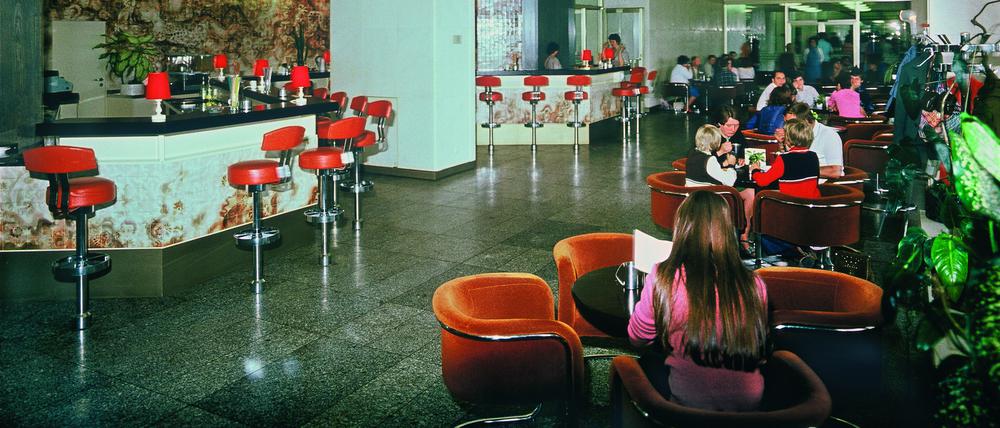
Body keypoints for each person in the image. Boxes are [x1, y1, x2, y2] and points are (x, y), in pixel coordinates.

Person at [628, 190, 769, 411]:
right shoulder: (754, 283)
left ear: (682, 226)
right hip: (749, 407)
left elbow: (637, 337)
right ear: (726, 228)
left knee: (643, 365)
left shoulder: (664, 276)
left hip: (688, 406)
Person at [751, 118, 820, 198]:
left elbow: (762, 181)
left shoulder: (784, 159)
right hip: (813, 205)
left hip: (791, 206)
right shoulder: (813, 156)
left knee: (761, 195)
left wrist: (755, 170)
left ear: (788, 138)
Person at [782, 103, 844, 179]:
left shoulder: (829, 135)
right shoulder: (794, 134)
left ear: (806, 121)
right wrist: (781, 143)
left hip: (825, 186)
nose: (788, 127)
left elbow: (835, 172)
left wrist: (802, 169)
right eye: (787, 123)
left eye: (792, 124)